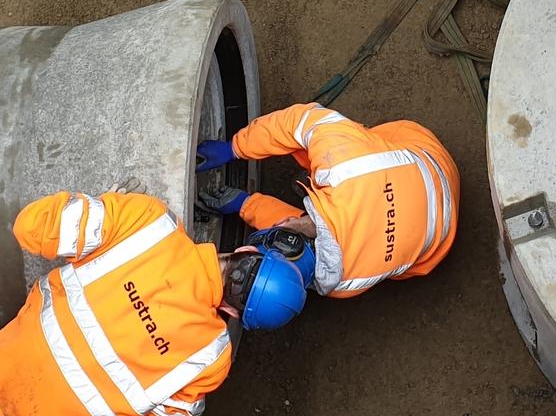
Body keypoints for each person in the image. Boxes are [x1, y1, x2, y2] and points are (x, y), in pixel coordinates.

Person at [0, 189, 305, 416]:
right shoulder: (211, 355)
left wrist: (104, 209)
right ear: (235, 313)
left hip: (3, 365)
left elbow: (30, 226)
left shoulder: (148, 220)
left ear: (246, 252)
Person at [195, 102, 457, 298]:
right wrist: (235, 148)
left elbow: (297, 234)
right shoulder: (343, 163)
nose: (284, 220)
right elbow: (298, 121)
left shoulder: (344, 286)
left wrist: (246, 203)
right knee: (320, 143)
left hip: (438, 224)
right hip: (428, 167)